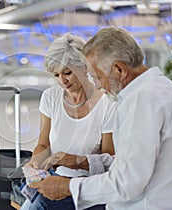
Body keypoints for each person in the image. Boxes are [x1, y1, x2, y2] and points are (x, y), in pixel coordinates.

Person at [29, 26, 172, 210]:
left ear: (119, 70)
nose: (98, 85)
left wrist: (68, 187)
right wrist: (77, 161)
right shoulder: (162, 89)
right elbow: (127, 162)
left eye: (97, 76)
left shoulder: (141, 101)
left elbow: (126, 183)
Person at [20, 33, 117, 210]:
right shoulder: (50, 97)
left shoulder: (107, 104)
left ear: (85, 67)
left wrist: (73, 161)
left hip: (87, 187)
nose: (62, 81)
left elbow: (109, 161)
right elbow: (43, 144)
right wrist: (35, 164)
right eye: (56, 75)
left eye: (67, 73)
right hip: (54, 178)